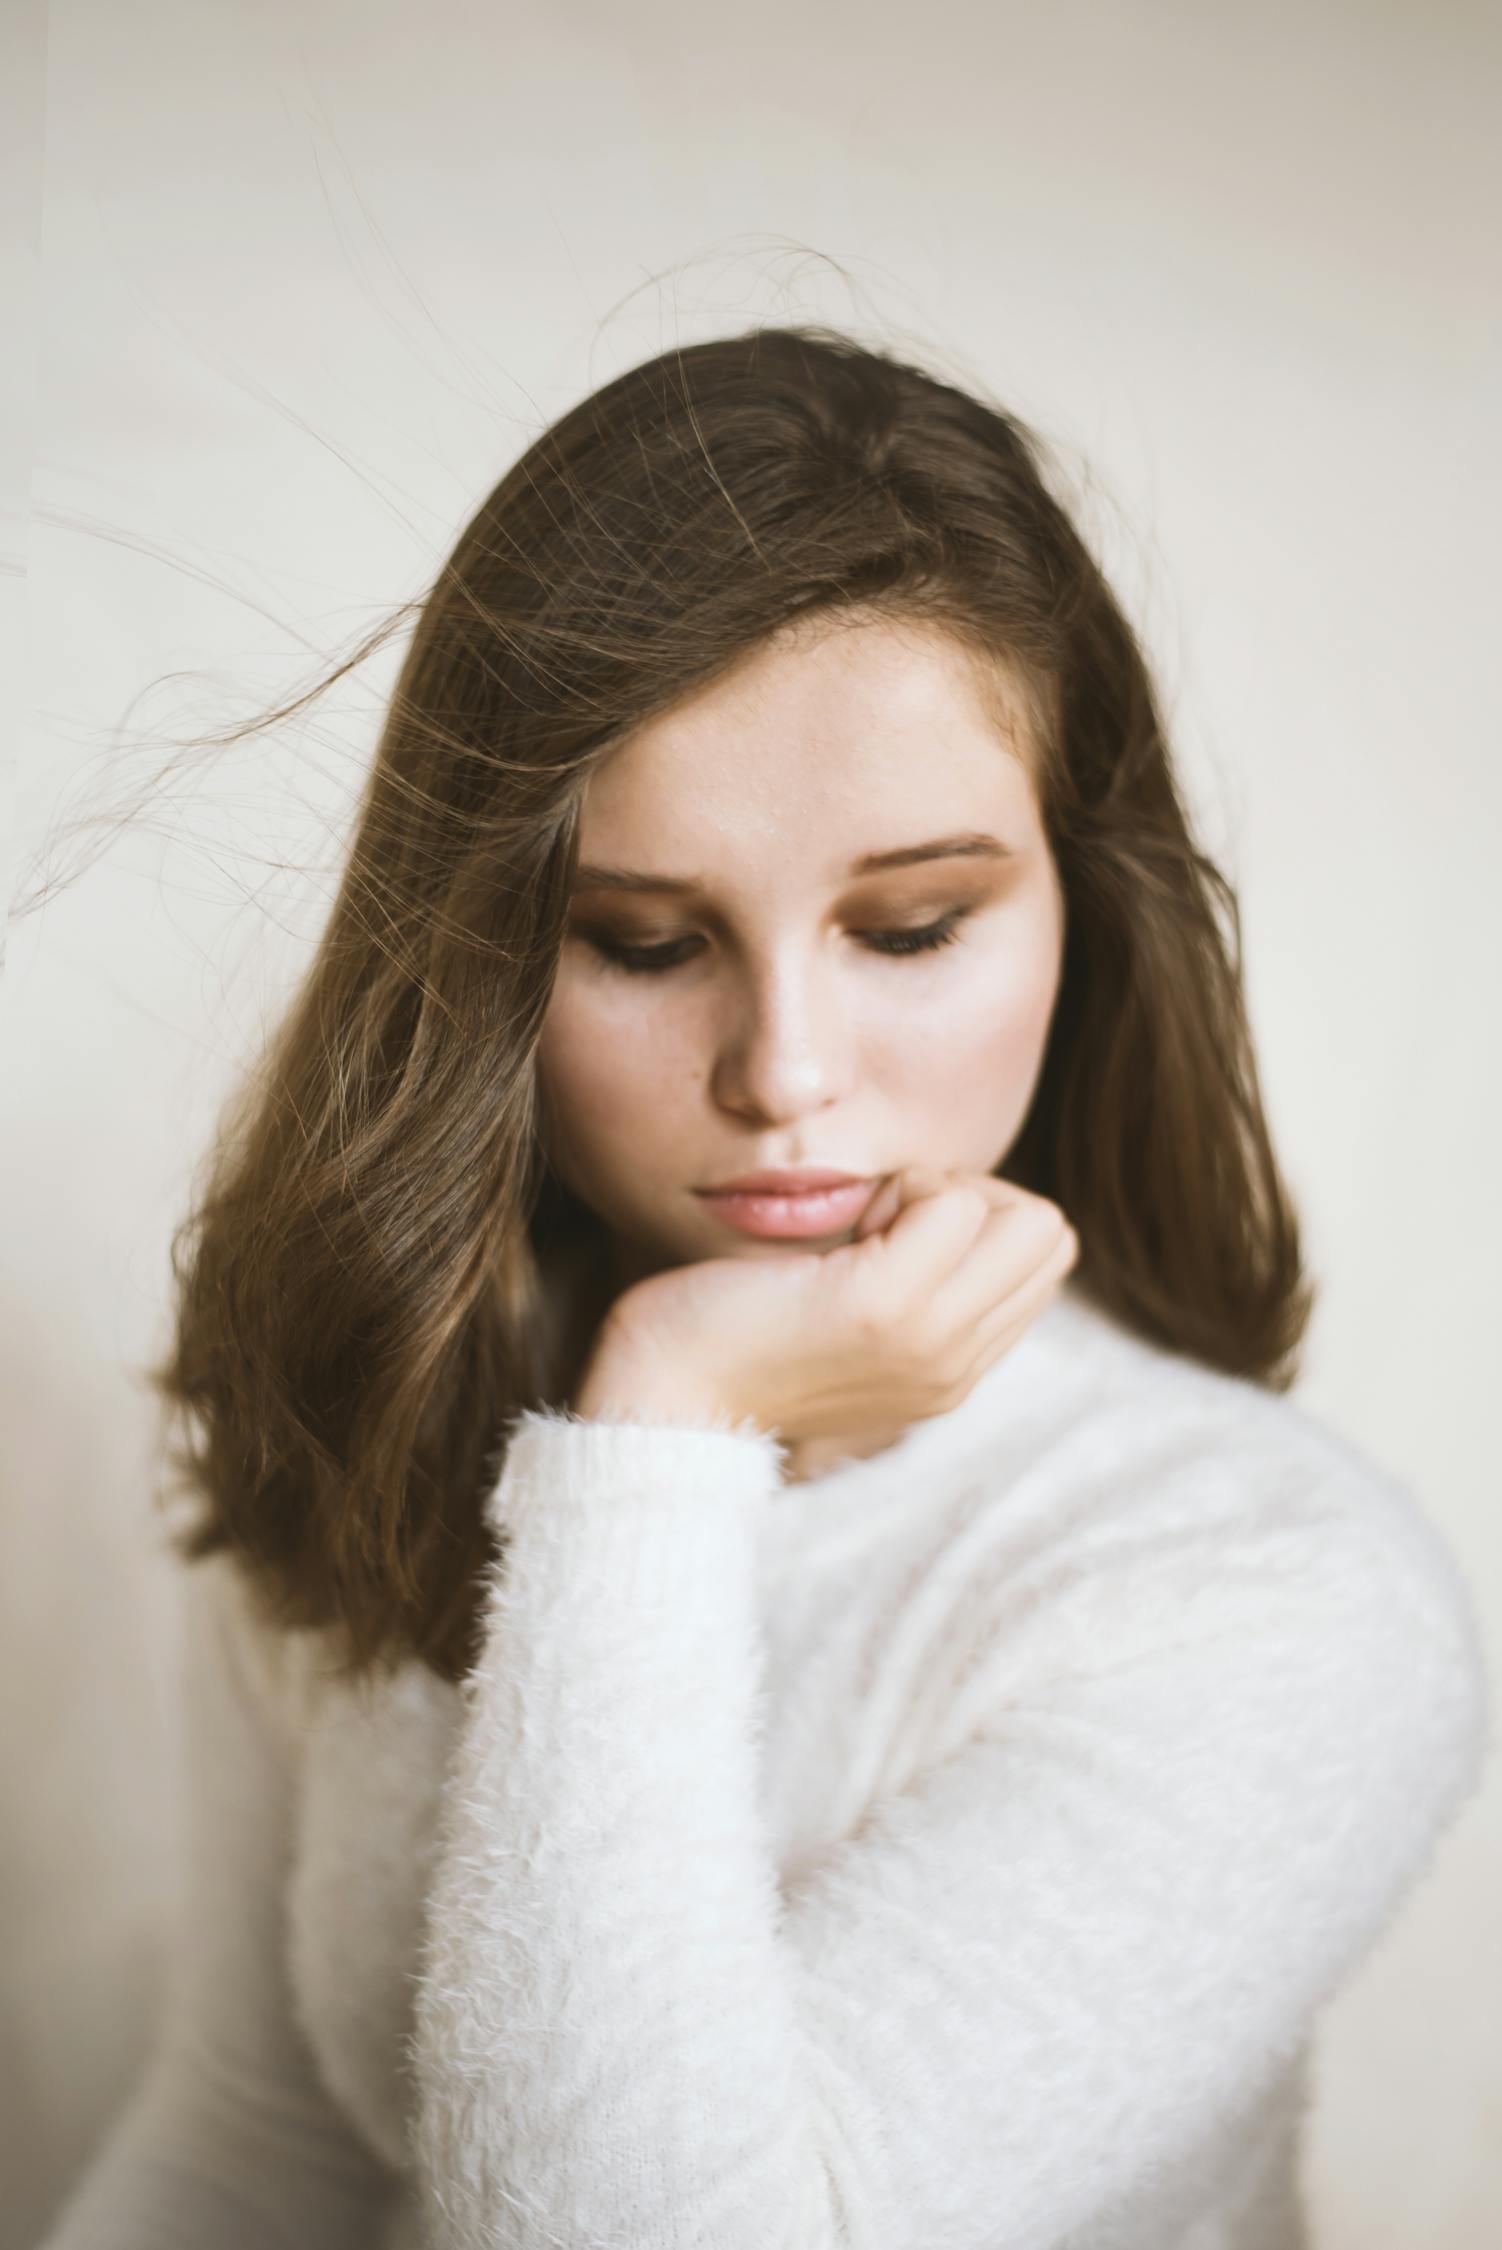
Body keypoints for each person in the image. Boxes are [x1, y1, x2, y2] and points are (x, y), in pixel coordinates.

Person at [35, 327, 1487, 2250]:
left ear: (1084, 903)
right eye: (645, 942)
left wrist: (659, 1434)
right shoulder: (373, 1408)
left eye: (911, 926)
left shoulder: (1272, 1590)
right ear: (480, 959)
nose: (784, 1072)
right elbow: (253, 2137)